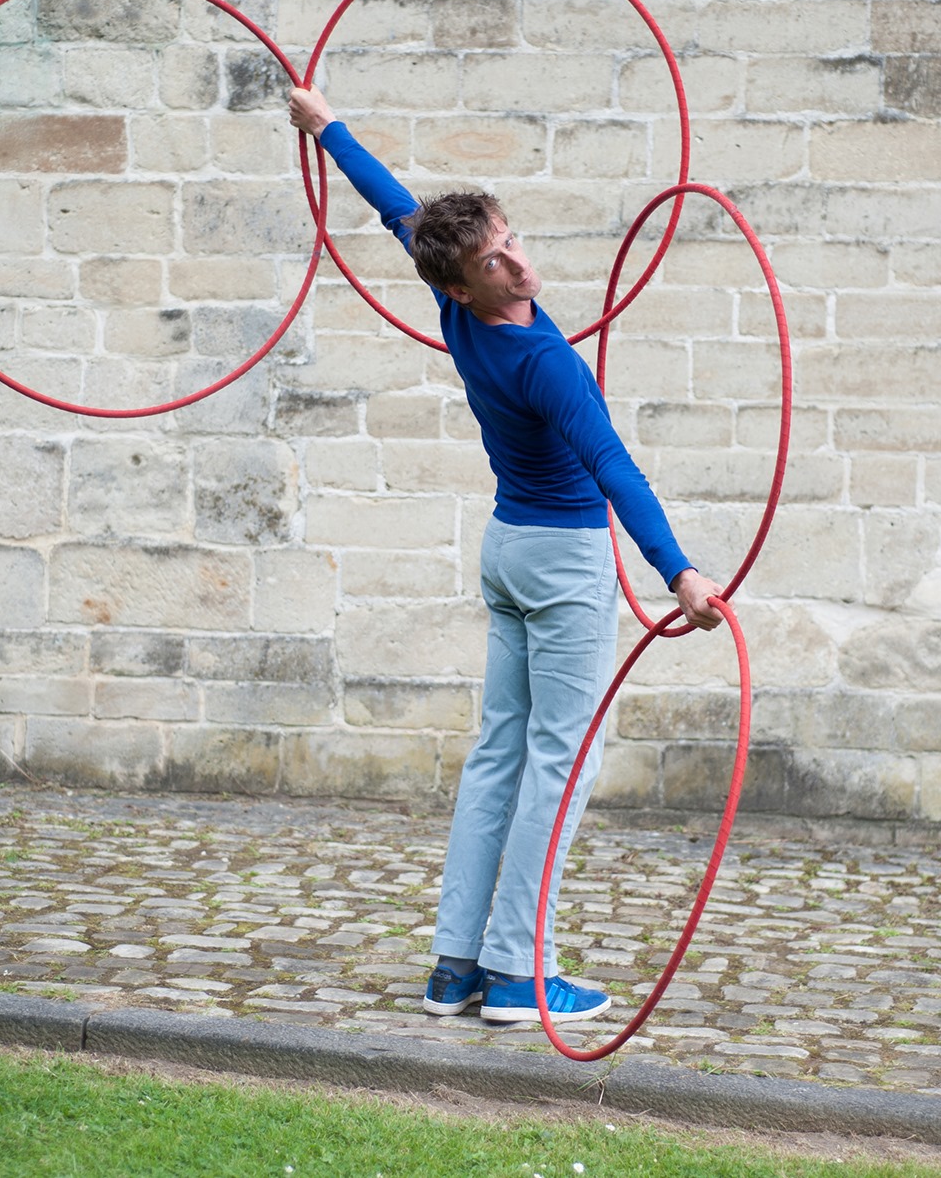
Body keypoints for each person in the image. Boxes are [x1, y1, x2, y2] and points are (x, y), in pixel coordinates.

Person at [288, 86, 724, 1025]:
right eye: (497, 259)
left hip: (507, 550)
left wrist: (328, 128)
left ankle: (455, 966)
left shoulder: (454, 298)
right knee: (558, 764)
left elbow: (391, 203)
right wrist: (679, 572)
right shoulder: (545, 362)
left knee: (500, 754)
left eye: (513, 238)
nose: (521, 262)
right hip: (562, 562)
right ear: (461, 283)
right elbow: (612, 465)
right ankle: (522, 973)